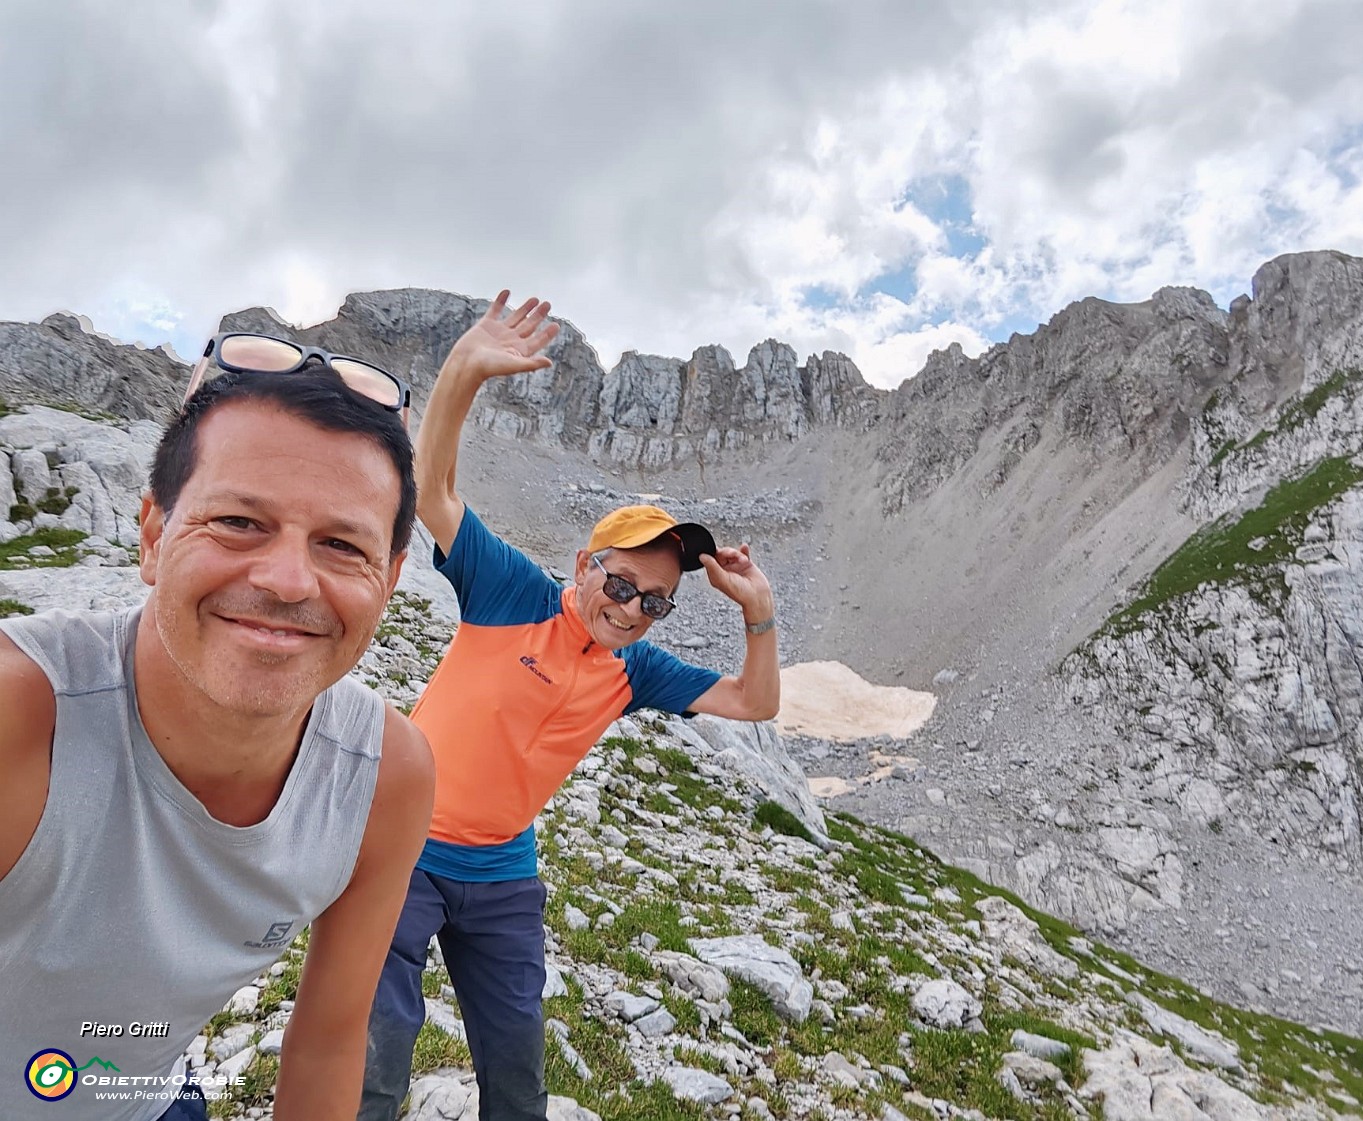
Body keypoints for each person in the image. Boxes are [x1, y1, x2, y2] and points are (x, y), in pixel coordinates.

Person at [359, 293, 781, 1121]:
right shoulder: (512, 589)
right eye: (619, 583)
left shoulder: (634, 672)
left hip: (505, 873)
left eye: (653, 601)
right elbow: (430, 486)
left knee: (517, 1073)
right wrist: (464, 371)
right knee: (377, 1058)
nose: (628, 608)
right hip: (402, 850)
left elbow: (754, 700)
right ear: (585, 563)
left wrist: (757, 611)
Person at [0, 336, 436, 1121]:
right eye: (238, 521)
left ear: (391, 577)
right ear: (153, 535)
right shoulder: (23, 713)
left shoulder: (385, 776)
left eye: (341, 544)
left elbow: (330, 1039)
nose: (287, 579)